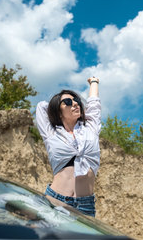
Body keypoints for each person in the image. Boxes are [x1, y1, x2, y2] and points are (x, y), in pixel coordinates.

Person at [36, 77, 100, 217]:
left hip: (85, 206)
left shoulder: (90, 128)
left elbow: (94, 105)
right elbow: (41, 106)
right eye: (68, 102)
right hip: (54, 200)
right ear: (58, 111)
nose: (75, 104)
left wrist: (94, 82)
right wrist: (57, 104)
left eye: (76, 100)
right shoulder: (51, 133)